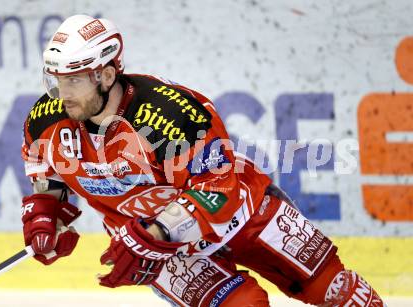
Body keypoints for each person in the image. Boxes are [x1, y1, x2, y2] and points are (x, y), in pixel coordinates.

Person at [20, 14, 386, 306]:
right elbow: (43, 167)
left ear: (107, 75)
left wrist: (154, 233)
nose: (60, 94)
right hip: (150, 240)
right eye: (55, 80)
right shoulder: (46, 120)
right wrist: (42, 215)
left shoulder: (169, 114)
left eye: (73, 81)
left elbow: (217, 189)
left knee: (332, 286)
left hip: (238, 209)